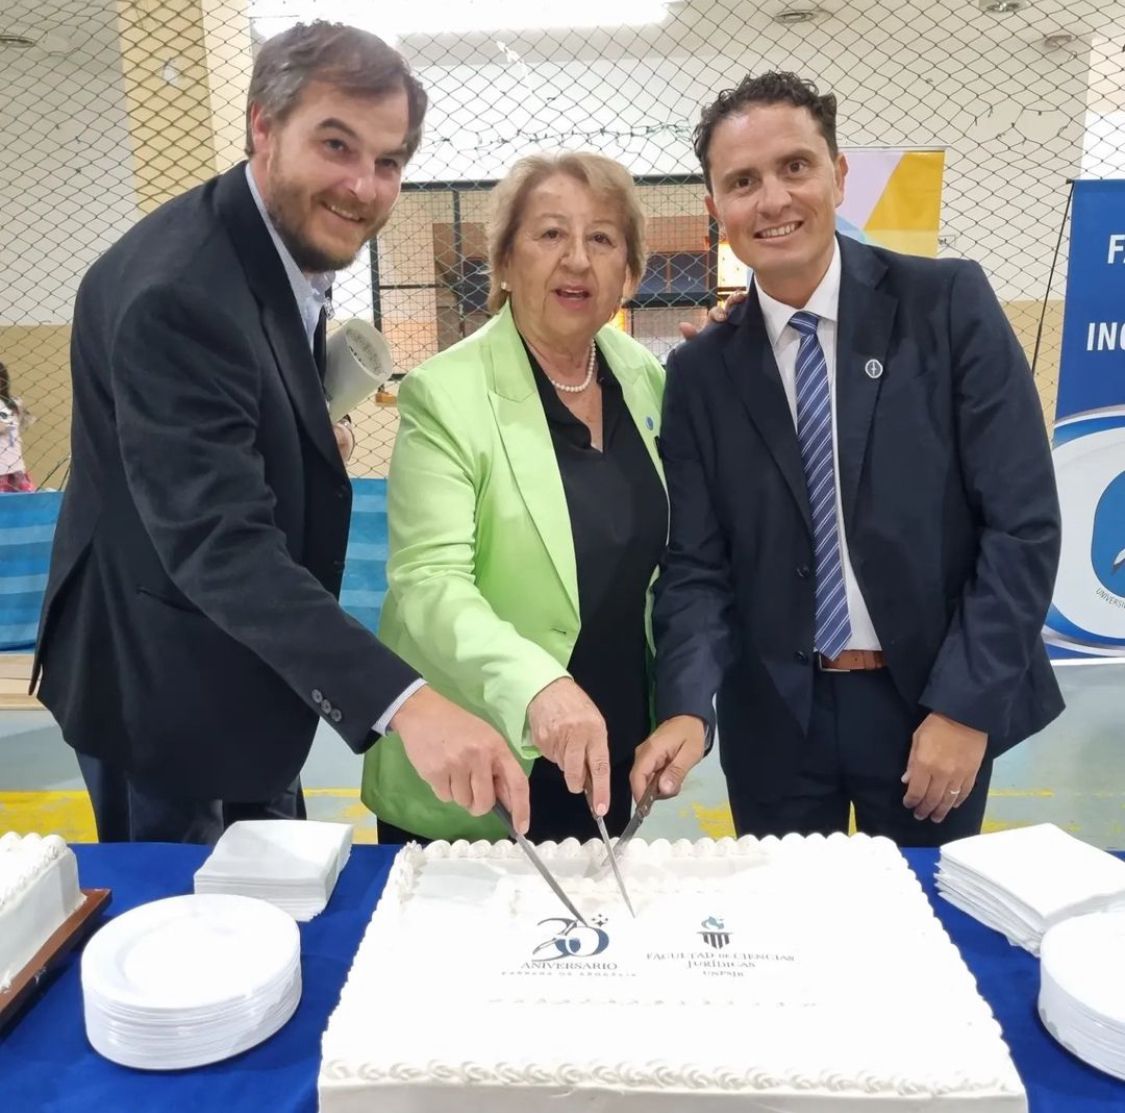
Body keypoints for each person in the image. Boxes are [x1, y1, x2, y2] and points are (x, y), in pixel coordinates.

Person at [34, 22, 529, 844]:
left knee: (276, 877)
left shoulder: (278, 245)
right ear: (262, 125)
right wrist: (407, 703)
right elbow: (218, 543)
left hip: (253, 667)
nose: (363, 186)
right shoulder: (181, 295)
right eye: (335, 145)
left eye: (388, 161)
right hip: (159, 682)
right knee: (189, 933)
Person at [633, 71, 1063, 845]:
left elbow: (1021, 525)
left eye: (794, 167)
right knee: (792, 941)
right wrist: (687, 705)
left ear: (838, 175)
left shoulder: (947, 306)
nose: (771, 200)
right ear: (715, 210)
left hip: (930, 706)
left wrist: (964, 706)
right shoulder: (699, 373)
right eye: (741, 181)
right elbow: (695, 564)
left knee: (923, 933)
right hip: (775, 722)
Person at [363, 152, 671, 844]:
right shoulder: (446, 393)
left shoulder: (642, 377)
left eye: (601, 238)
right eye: (550, 234)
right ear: (503, 263)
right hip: (484, 755)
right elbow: (427, 583)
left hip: (607, 746)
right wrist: (537, 686)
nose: (577, 260)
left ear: (627, 271)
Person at [0, 360, 35, 492]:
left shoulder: (4, 403)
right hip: (13, 466)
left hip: (7, 469)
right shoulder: (11, 403)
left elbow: (4, 427)